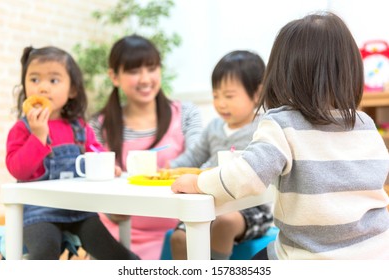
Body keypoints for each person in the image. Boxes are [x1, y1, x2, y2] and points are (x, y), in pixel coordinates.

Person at [171, 12, 389, 260]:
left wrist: (198, 183)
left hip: (308, 259)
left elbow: (246, 176)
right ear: (350, 71)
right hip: (376, 255)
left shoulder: (282, 124)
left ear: (283, 73)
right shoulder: (365, 124)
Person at [6, 46, 139, 260]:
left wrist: (107, 165)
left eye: (54, 80)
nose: (42, 88)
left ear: (72, 90)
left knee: (118, 255)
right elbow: (18, 169)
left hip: (80, 208)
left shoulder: (78, 127)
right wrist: (38, 136)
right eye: (34, 80)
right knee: (45, 251)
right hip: (39, 212)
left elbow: (95, 150)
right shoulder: (22, 129)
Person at [89, 34, 203, 260]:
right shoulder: (99, 125)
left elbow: (200, 159)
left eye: (151, 68)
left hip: (178, 233)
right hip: (116, 233)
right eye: (133, 71)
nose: (145, 79)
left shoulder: (186, 114)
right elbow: (94, 184)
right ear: (114, 76)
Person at [168, 50, 273, 260]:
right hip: (209, 203)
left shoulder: (265, 127)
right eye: (216, 95)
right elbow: (193, 158)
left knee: (225, 222)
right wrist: (166, 169)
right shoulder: (214, 127)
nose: (221, 103)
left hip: (250, 208)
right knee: (178, 238)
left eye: (229, 96)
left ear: (257, 93)